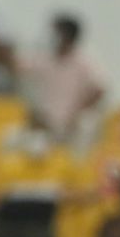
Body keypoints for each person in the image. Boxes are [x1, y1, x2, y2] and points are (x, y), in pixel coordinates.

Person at [14, 12, 107, 148]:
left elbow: (100, 89)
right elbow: (18, 66)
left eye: (56, 33)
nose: (52, 37)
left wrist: (77, 112)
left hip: (70, 128)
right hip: (43, 124)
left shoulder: (84, 63)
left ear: (67, 37)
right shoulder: (45, 59)